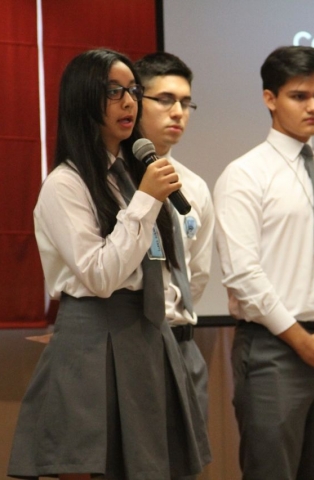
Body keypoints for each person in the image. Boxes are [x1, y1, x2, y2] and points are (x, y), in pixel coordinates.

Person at [8, 49, 210, 480]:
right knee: (91, 466)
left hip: (148, 336)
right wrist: (146, 201)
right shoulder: (66, 184)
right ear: (83, 100)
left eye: (133, 91)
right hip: (94, 342)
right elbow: (99, 275)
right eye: (114, 91)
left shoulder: (133, 174)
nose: (129, 102)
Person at [213, 46, 314, 480]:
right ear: (270, 99)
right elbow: (243, 275)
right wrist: (303, 342)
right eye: (300, 96)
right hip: (274, 352)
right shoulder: (245, 175)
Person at [134, 52, 214, 435]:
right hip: (132, 347)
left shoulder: (194, 187)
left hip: (183, 347)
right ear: (134, 101)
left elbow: (195, 274)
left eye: (186, 102)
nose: (178, 111)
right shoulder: (109, 179)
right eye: (165, 99)